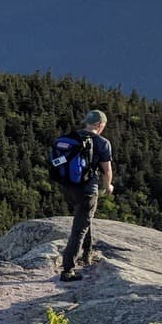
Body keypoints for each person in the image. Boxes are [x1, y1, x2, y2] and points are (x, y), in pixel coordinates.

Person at [60, 109, 114, 281]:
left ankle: (87, 253)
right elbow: (106, 171)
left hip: (69, 188)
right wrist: (108, 187)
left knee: (84, 218)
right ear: (100, 125)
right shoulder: (102, 143)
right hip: (87, 190)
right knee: (79, 229)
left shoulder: (72, 138)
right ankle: (68, 270)